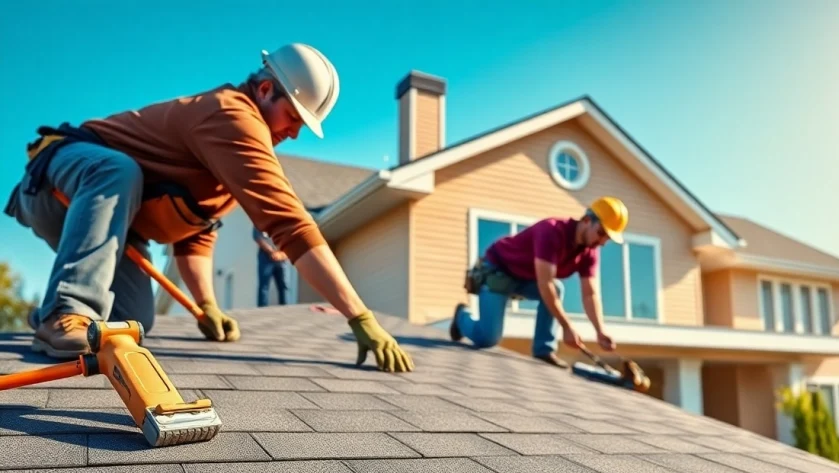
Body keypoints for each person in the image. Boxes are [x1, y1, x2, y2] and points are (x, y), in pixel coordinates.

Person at [4, 43, 414, 372]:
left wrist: (207, 306)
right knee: (120, 170)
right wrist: (360, 316)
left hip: (113, 226)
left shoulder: (225, 165)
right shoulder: (231, 116)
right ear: (266, 90)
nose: (293, 132)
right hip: (59, 177)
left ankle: (47, 318)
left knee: (131, 324)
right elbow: (290, 225)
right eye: (292, 117)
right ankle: (65, 310)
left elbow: (194, 238)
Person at [450, 197, 627, 368]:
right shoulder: (552, 231)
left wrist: (600, 330)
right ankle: (461, 316)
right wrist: (566, 326)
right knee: (487, 339)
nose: (603, 242)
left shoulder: (589, 252)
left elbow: (590, 294)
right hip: (499, 271)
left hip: (526, 279)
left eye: (608, 238)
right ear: (587, 220)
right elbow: (545, 284)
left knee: (557, 289)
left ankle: (544, 350)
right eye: (602, 233)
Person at [253, 226, 289, 306]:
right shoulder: (260, 220)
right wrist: (272, 252)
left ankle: (285, 307)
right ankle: (262, 309)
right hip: (266, 257)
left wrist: (281, 253)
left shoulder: (283, 221)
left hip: (281, 257)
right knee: (264, 286)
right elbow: (258, 237)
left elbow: (288, 237)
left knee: (283, 286)